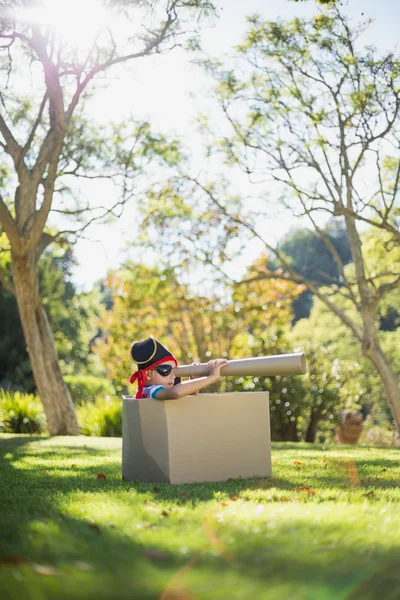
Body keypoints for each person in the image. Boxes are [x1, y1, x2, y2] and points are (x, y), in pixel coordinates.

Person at [129, 335, 227, 400]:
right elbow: (176, 392)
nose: (173, 376)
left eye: (175, 371)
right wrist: (212, 377)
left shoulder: (144, 391)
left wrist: (193, 379)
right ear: (148, 374)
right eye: (166, 370)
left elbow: (183, 401)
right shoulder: (151, 390)